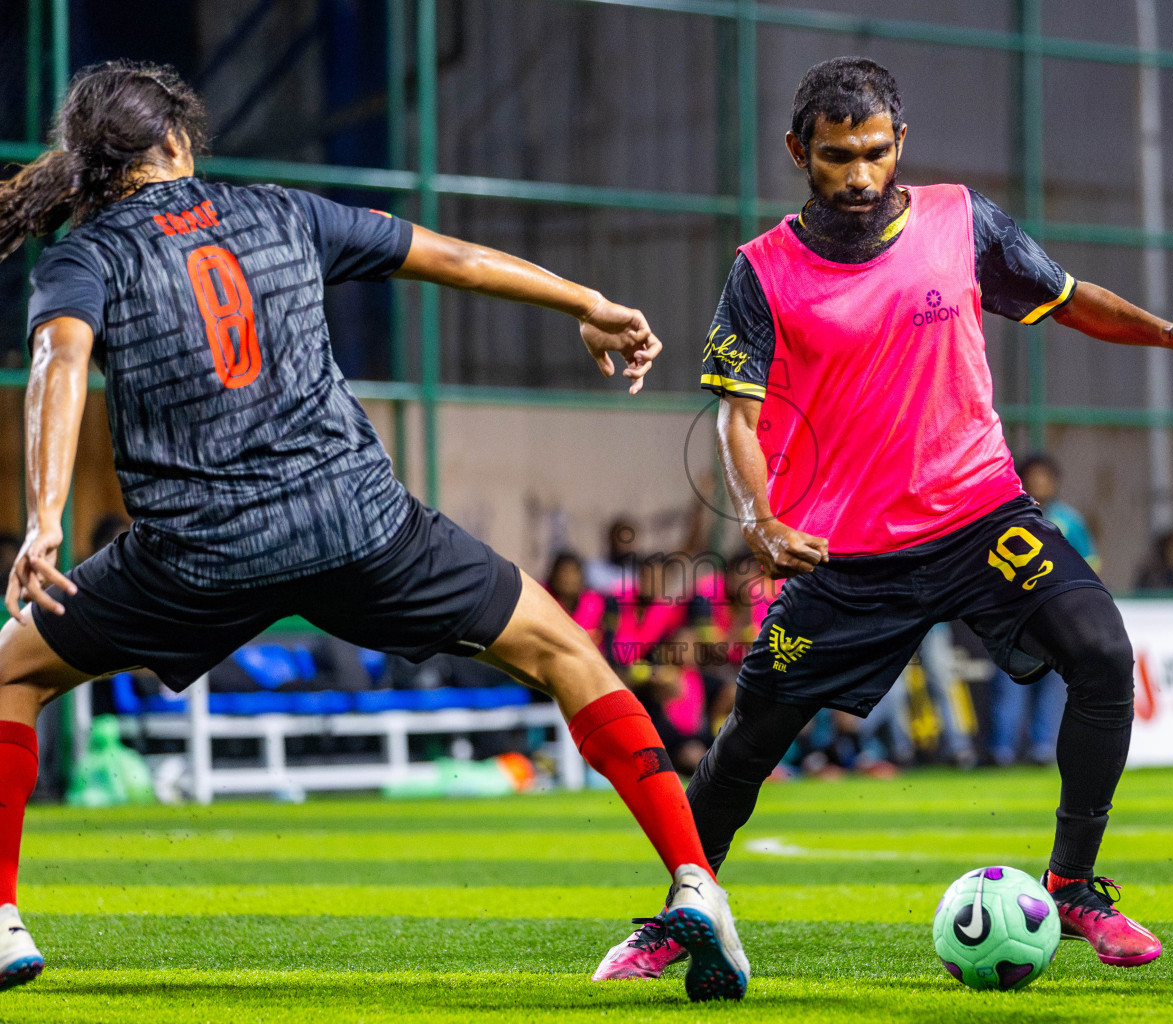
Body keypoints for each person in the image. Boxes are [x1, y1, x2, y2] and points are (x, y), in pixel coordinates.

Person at [0, 62, 746, 1001]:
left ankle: (0, 917)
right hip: (358, 527)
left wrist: (42, 520)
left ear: (91, 166)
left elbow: (57, 360)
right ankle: (694, 883)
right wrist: (585, 303)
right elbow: (455, 259)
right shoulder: (284, 210)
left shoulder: (87, 255)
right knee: (567, 650)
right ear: (182, 141)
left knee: (12, 672)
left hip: (201, 554)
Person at [593, 56, 1173, 981]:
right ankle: (679, 909)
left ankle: (1075, 887)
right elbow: (736, 414)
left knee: (1099, 653)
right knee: (746, 746)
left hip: (981, 515)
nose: (858, 175)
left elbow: (1065, 297)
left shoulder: (961, 221)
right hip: (842, 556)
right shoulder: (761, 272)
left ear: (900, 147)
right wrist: (761, 522)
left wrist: (1164, 334)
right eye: (837, 156)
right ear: (797, 154)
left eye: (875, 153)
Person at [991, 454, 1095, 765]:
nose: (1038, 483)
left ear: (1055, 482)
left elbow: (1091, 565)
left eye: (1043, 477)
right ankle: (1002, 749)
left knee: (1050, 685)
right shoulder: (1006, 517)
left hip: (1057, 616)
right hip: (1014, 617)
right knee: (1009, 681)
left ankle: (1042, 747)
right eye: (1031, 477)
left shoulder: (1069, 521)